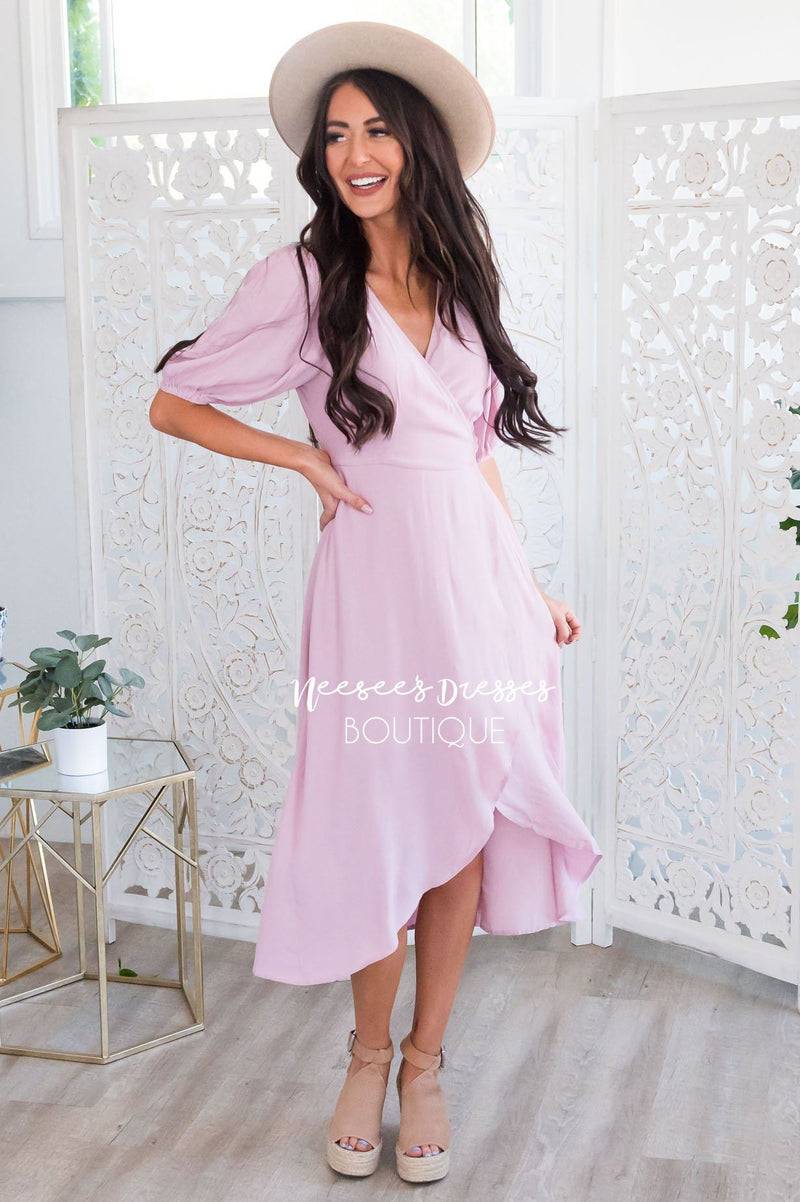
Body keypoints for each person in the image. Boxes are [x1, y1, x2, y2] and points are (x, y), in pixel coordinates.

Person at [149, 21, 603, 1185]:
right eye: (336, 135)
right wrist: (302, 457)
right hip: (372, 594)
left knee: (460, 820)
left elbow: (471, 451)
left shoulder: (459, 277)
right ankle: (362, 1055)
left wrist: (525, 580)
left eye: (376, 130)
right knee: (382, 821)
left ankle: (424, 1062)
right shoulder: (303, 279)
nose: (354, 153)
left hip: (475, 591)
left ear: (418, 145)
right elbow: (174, 403)